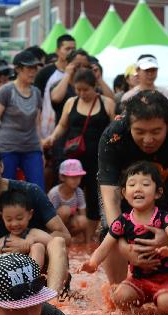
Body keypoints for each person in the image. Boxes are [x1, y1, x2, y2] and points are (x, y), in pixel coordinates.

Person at [98, 90, 168, 282]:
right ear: (129, 125)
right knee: (110, 232)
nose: (148, 140)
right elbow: (110, 197)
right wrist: (123, 245)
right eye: (139, 132)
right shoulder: (113, 135)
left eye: (156, 132)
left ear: (167, 125)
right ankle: (117, 291)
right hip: (126, 194)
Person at [0, 143, 71, 295]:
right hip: (2, 269)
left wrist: (28, 244)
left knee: (57, 242)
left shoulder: (30, 191)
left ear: (1, 167)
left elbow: (65, 236)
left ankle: (52, 301)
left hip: (41, 267)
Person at [83, 161, 168, 315]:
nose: (138, 188)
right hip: (138, 279)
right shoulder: (122, 222)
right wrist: (92, 263)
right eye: (132, 184)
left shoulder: (164, 217)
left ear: (158, 192)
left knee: (167, 306)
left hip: (166, 278)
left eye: (145, 184)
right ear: (124, 193)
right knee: (120, 298)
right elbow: (104, 246)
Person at [45, 68, 115, 241]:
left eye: (86, 89)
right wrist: (52, 137)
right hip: (73, 158)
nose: (82, 93)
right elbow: (62, 125)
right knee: (67, 192)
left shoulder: (107, 103)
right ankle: (64, 233)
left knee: (93, 196)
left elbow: (115, 129)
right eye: (78, 90)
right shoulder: (71, 102)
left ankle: (89, 237)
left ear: (95, 86)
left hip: (98, 158)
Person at [0, 50, 46, 190]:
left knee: (38, 189)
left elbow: (37, 124)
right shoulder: (6, 90)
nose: (33, 72)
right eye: (29, 68)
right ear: (18, 69)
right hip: (8, 147)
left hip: (31, 148)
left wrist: (40, 150)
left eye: (35, 68)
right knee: (6, 190)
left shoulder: (36, 92)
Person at [0, 187, 54, 268]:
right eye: (9, 219)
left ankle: (33, 276)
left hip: (31, 273)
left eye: (19, 218)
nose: (14, 224)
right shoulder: (2, 241)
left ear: (30, 214)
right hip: (10, 275)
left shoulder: (33, 233)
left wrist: (31, 241)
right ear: (2, 216)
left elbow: (54, 242)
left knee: (38, 247)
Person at [35, 34, 77, 139]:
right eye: (67, 49)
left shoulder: (79, 72)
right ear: (57, 51)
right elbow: (37, 103)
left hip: (74, 127)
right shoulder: (45, 72)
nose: (71, 52)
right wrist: (38, 132)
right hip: (49, 126)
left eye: (73, 49)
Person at [48, 159, 88, 237]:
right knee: (65, 210)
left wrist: (87, 242)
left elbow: (83, 214)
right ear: (62, 177)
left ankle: (69, 237)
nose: (76, 180)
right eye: (72, 177)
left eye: (78, 177)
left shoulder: (79, 192)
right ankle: (57, 237)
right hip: (55, 224)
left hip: (70, 223)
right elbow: (49, 216)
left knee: (83, 220)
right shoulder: (54, 193)